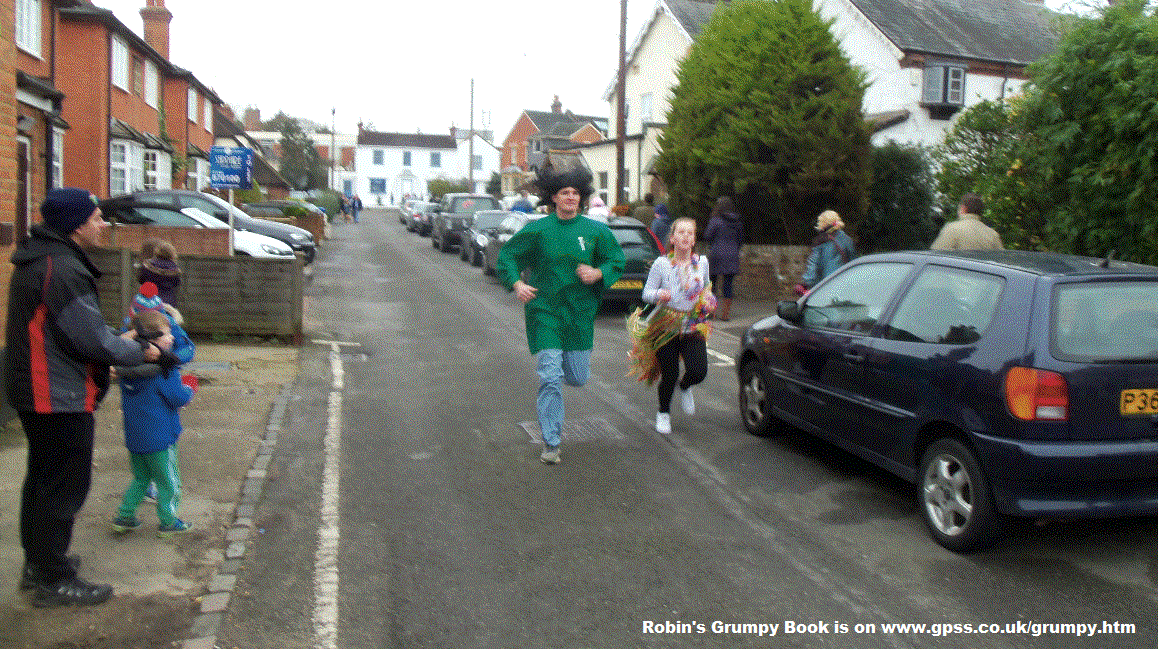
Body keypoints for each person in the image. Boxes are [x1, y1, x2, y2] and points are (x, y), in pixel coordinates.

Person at [6, 187, 162, 608]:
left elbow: (77, 332)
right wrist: (142, 350)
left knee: (42, 482)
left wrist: (117, 341)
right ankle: (53, 581)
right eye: (95, 218)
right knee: (62, 486)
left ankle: (40, 564)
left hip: (40, 389)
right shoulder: (62, 269)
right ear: (76, 226)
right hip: (55, 394)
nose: (102, 224)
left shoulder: (42, 259)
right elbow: (90, 339)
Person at [496, 167, 626, 464]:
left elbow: (615, 260)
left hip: (579, 314)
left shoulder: (596, 231)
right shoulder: (539, 229)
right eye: (565, 192)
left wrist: (598, 272)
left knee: (577, 378)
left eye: (576, 193)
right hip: (545, 311)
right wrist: (517, 283)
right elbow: (508, 256)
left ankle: (563, 379)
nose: (571, 197)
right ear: (553, 197)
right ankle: (551, 443)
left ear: (582, 198)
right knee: (550, 377)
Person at [111, 310, 196, 538]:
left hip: (136, 439)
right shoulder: (164, 372)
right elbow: (178, 398)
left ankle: (125, 517)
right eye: (165, 335)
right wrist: (190, 389)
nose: (172, 338)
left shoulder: (126, 373)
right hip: (161, 439)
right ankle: (168, 522)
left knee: (140, 479)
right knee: (169, 482)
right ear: (148, 344)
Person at [635, 217, 716, 434]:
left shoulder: (703, 263)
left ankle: (686, 385)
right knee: (669, 373)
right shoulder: (661, 264)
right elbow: (646, 293)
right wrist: (658, 294)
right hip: (665, 325)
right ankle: (663, 412)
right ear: (672, 238)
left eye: (690, 233)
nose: (686, 236)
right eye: (681, 232)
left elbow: (707, 287)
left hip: (693, 324)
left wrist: (708, 299)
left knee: (699, 371)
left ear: (694, 239)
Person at [703, 196, 743, 321]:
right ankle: (725, 315)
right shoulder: (737, 222)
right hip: (732, 255)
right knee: (728, 285)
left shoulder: (716, 220)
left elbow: (707, 236)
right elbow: (740, 240)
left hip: (716, 254)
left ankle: (711, 312)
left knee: (711, 284)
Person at [801, 210, 856, 290]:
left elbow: (813, 266)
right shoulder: (847, 240)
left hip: (826, 287)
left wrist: (805, 283)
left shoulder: (821, 241)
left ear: (823, 223)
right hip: (845, 285)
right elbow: (853, 262)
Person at [931, 193, 1004, 251]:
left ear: (963, 208)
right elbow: (1000, 259)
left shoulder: (952, 228)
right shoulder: (993, 234)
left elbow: (936, 254)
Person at [137, 238, 181, 307]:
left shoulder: (148, 264)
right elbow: (176, 284)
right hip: (168, 303)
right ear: (172, 253)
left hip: (149, 301)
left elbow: (141, 279)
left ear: (158, 251)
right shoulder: (175, 269)